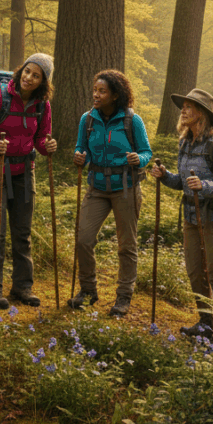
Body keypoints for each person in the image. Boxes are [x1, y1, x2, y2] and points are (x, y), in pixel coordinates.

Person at [150, 88, 213, 341]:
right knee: (195, 272)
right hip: (190, 216)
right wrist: (165, 176)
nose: (183, 111)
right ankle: (205, 322)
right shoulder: (184, 143)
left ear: (202, 113)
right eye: (183, 106)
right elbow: (182, 183)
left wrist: (205, 186)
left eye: (189, 107)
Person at [0, 54, 58, 309]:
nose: (29, 78)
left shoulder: (42, 105)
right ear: (21, 69)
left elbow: (41, 139)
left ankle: (23, 286)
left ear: (43, 81)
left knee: (22, 232)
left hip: (23, 170)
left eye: (36, 75)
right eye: (27, 71)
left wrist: (48, 145)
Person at [69, 69, 152, 317]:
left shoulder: (131, 121)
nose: (96, 94)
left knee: (127, 246)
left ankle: (124, 296)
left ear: (115, 95)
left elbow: (147, 152)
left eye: (102, 91)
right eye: (95, 90)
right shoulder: (88, 119)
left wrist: (140, 158)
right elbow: (80, 146)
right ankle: (88, 291)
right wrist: (78, 156)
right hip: (96, 188)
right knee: (83, 239)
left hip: (126, 188)